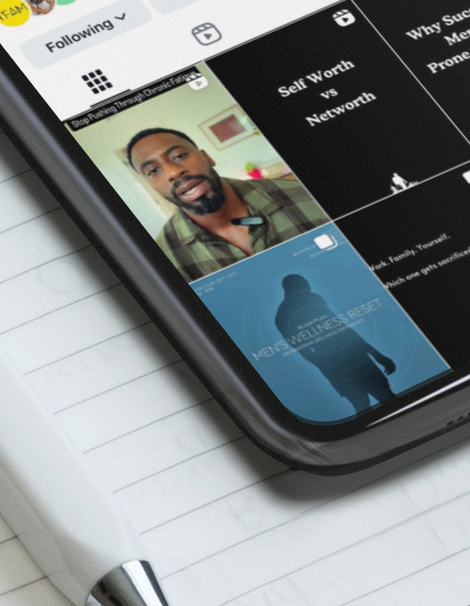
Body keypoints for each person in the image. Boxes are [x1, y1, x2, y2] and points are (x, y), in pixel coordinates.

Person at [123, 127, 329, 279]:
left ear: (207, 157)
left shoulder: (305, 195)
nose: (173, 172)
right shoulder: (163, 261)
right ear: (151, 185)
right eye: (153, 171)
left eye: (179, 156)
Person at [272, 274, 397, 416]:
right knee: (383, 399)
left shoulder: (282, 314)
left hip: (338, 365)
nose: (309, 287)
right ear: (299, 286)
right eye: (305, 284)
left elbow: (303, 349)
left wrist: (326, 365)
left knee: (363, 406)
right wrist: (377, 355)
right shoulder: (310, 299)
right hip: (353, 358)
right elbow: (343, 330)